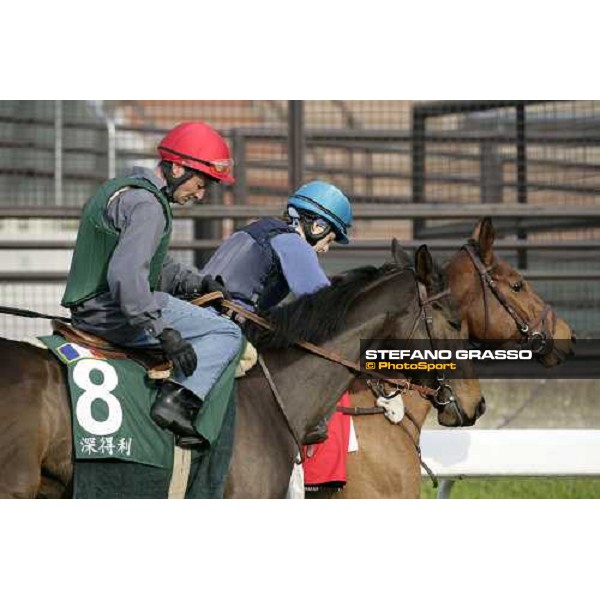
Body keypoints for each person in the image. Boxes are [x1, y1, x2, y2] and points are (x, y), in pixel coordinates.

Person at [61, 121, 243, 448]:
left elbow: (152, 268)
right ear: (176, 168)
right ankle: (174, 408)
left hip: (95, 307)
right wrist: (162, 330)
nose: (200, 195)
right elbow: (127, 277)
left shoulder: (129, 189)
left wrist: (197, 283)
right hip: (112, 313)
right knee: (227, 333)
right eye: (200, 184)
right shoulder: (149, 207)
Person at [199, 180, 354, 492]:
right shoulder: (292, 243)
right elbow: (323, 308)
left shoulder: (256, 228)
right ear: (316, 224)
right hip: (228, 329)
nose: (326, 248)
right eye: (330, 237)